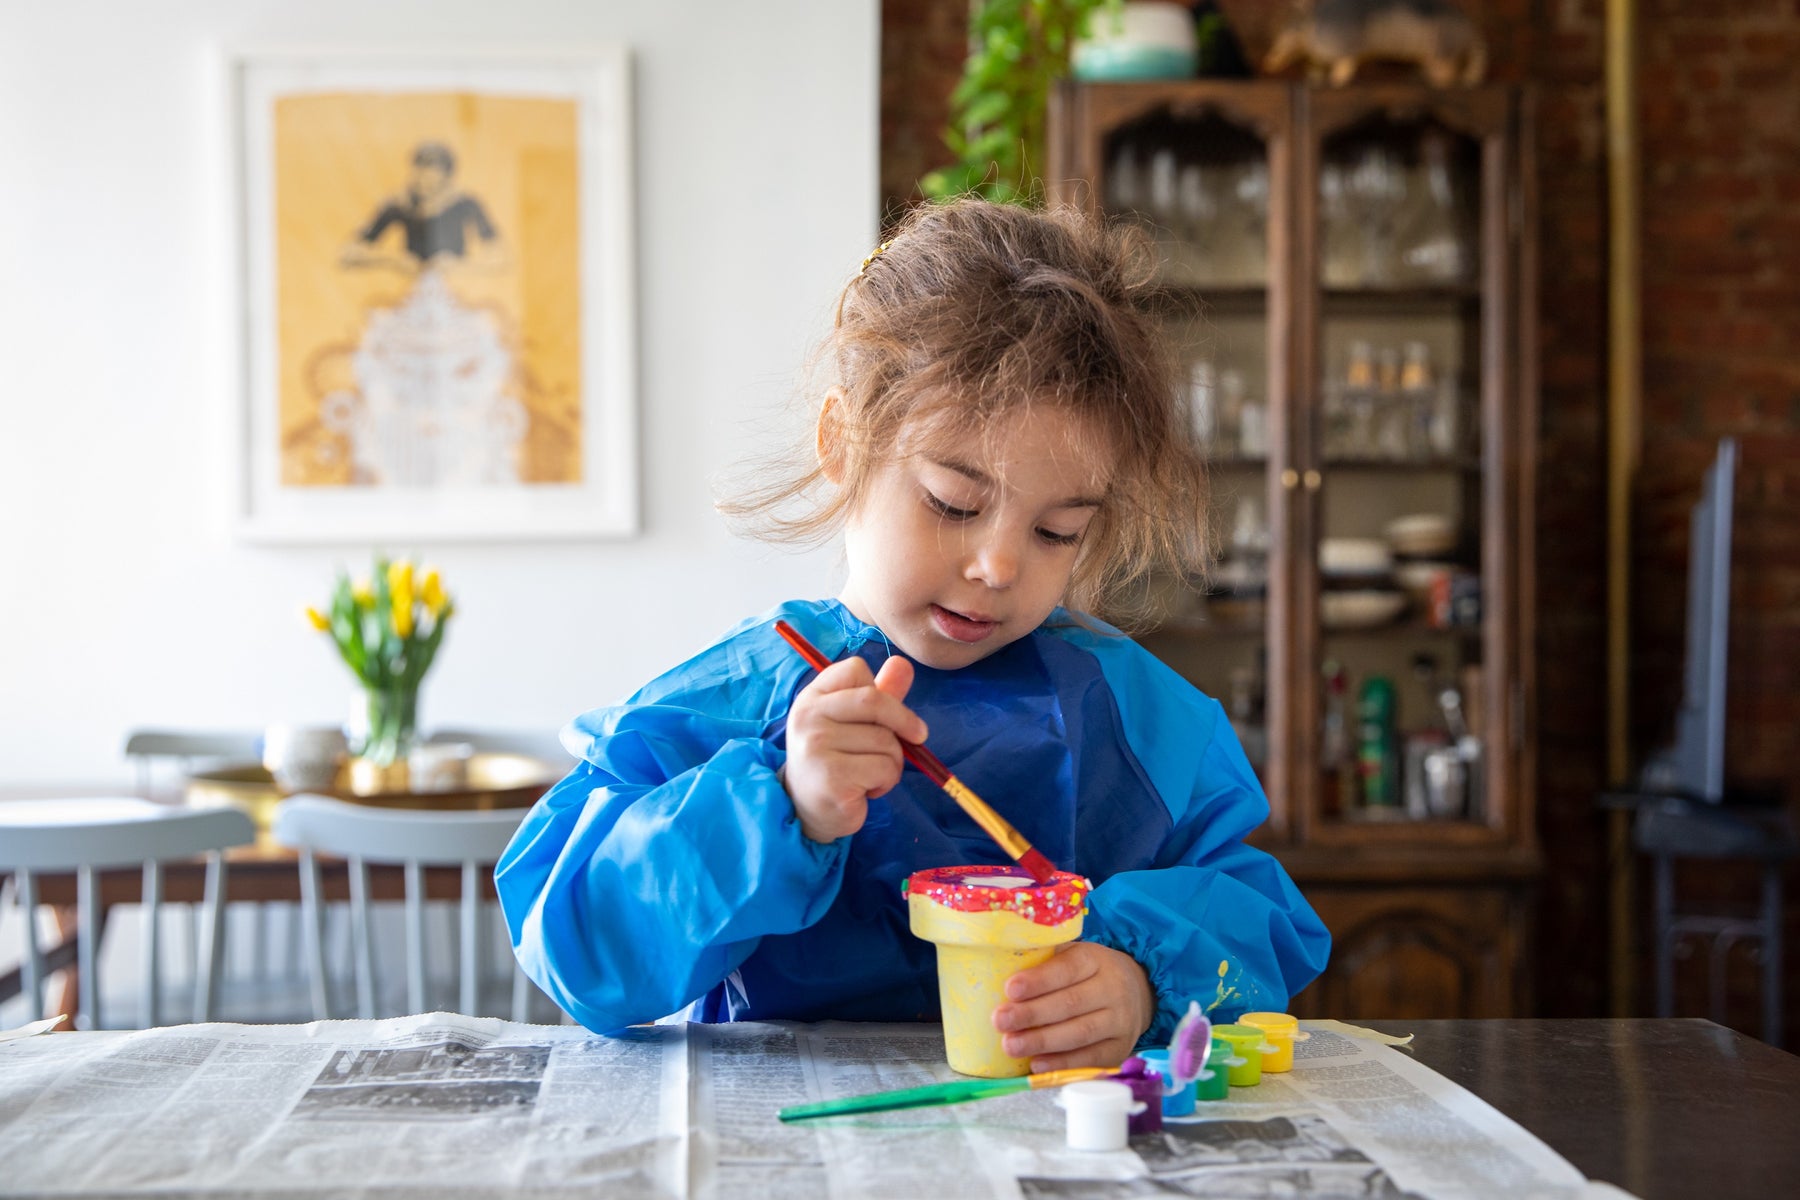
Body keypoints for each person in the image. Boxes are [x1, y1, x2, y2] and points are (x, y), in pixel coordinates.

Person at [497, 198, 1329, 1072]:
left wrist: (1141, 977)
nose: (1000, 567)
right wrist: (780, 801)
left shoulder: (1133, 712)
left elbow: (1258, 913)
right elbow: (575, 948)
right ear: (844, 444)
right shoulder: (733, 703)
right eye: (953, 503)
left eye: (1058, 531)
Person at [340, 141, 503, 271]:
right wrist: (392, 260)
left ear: (447, 179)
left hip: (458, 295)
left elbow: (501, 256)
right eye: (421, 177)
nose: (425, 186)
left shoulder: (465, 204)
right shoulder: (400, 205)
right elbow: (349, 253)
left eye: (432, 181)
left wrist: (460, 265)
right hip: (410, 293)